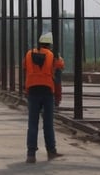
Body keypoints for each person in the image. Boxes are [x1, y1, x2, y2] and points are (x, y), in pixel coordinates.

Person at [23, 32, 65, 163]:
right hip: (47, 91)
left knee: (32, 123)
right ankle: (51, 151)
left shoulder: (29, 54)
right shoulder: (52, 56)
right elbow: (61, 66)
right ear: (50, 45)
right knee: (48, 123)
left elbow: (24, 65)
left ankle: (31, 154)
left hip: (33, 90)